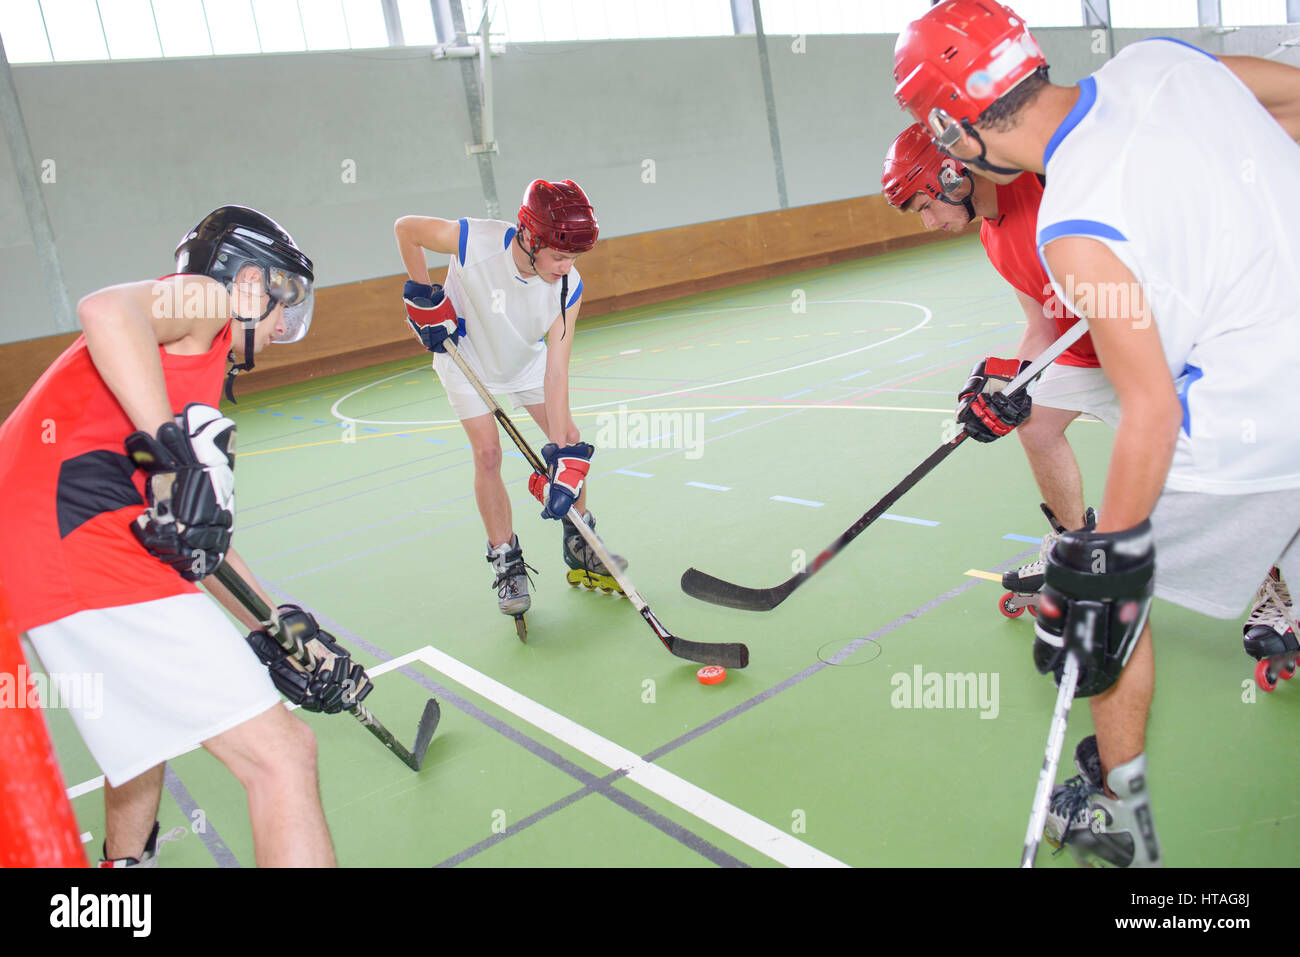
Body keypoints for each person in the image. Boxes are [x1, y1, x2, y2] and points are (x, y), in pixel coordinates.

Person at [894, 0, 1300, 866]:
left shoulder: (1071, 224)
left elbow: (1148, 405)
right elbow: (1293, 101)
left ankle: (1114, 801)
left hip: (1253, 425)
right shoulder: (1162, 65)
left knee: (1122, 606)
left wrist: (1104, 561)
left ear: (953, 133)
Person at [0, 206, 370, 867]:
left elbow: (195, 542)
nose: (286, 323)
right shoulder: (208, 303)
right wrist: (174, 449)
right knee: (283, 755)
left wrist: (279, 626)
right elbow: (106, 309)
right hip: (72, 543)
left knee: (143, 738)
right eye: (284, 297)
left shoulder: (185, 371)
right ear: (247, 278)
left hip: (56, 540)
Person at [881, 123, 1112, 615]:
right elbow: (1042, 324)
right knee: (1036, 426)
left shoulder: (1042, 181)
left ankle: (1279, 586)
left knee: (1203, 466)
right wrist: (1006, 383)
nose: (928, 223)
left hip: (1141, 348)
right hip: (1083, 353)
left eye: (925, 207)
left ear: (951, 177)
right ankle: (1078, 553)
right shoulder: (993, 239)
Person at [393, 180, 626, 639]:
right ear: (530, 236)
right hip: (465, 355)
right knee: (488, 455)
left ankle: (581, 544)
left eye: (574, 258)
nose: (566, 267)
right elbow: (406, 230)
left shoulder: (567, 288)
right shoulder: (473, 240)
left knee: (571, 449)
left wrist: (562, 458)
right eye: (559, 257)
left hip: (525, 363)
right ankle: (506, 560)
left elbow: (556, 373)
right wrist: (423, 294)